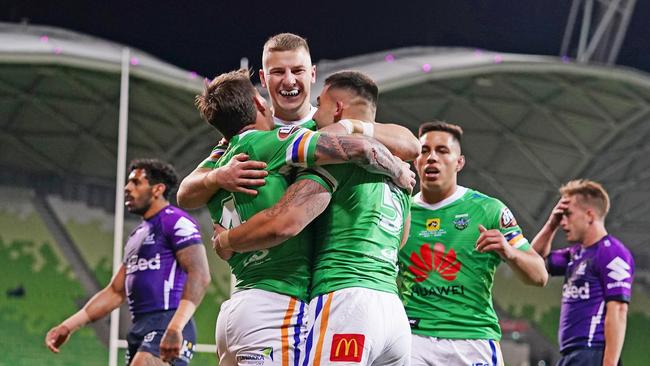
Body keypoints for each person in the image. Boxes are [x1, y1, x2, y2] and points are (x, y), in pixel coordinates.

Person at [195, 69, 414, 366]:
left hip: (336, 299)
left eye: (318, 103)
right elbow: (401, 239)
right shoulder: (400, 174)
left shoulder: (218, 164)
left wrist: (227, 240)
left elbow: (287, 220)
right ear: (259, 104)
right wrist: (399, 169)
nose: (312, 112)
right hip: (390, 309)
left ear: (336, 109)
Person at [176, 32, 419, 209]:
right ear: (263, 77)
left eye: (298, 70)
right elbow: (185, 195)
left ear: (312, 74)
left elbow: (410, 146)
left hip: (331, 265)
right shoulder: (245, 135)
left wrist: (353, 126)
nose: (289, 80)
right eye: (278, 72)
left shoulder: (332, 122)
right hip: (279, 266)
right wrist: (217, 177)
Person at [398, 122, 548, 366]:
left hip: (471, 340)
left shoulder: (488, 210)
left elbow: (539, 275)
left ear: (459, 162)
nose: (432, 157)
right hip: (413, 338)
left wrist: (509, 252)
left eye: (442, 151)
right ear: (416, 160)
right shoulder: (401, 211)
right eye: (424, 151)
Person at [45, 159, 211, 365]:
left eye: (136, 182)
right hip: (139, 328)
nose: (127, 188)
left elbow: (200, 274)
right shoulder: (136, 235)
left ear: (158, 189)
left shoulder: (176, 221)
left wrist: (175, 327)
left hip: (168, 321)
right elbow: (115, 292)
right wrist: (67, 326)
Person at [531, 179, 634, 366]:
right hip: (572, 355)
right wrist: (551, 224)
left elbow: (618, 310)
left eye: (567, 214)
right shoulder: (575, 254)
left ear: (589, 215)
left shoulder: (612, 253)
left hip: (592, 353)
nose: (563, 222)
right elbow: (533, 261)